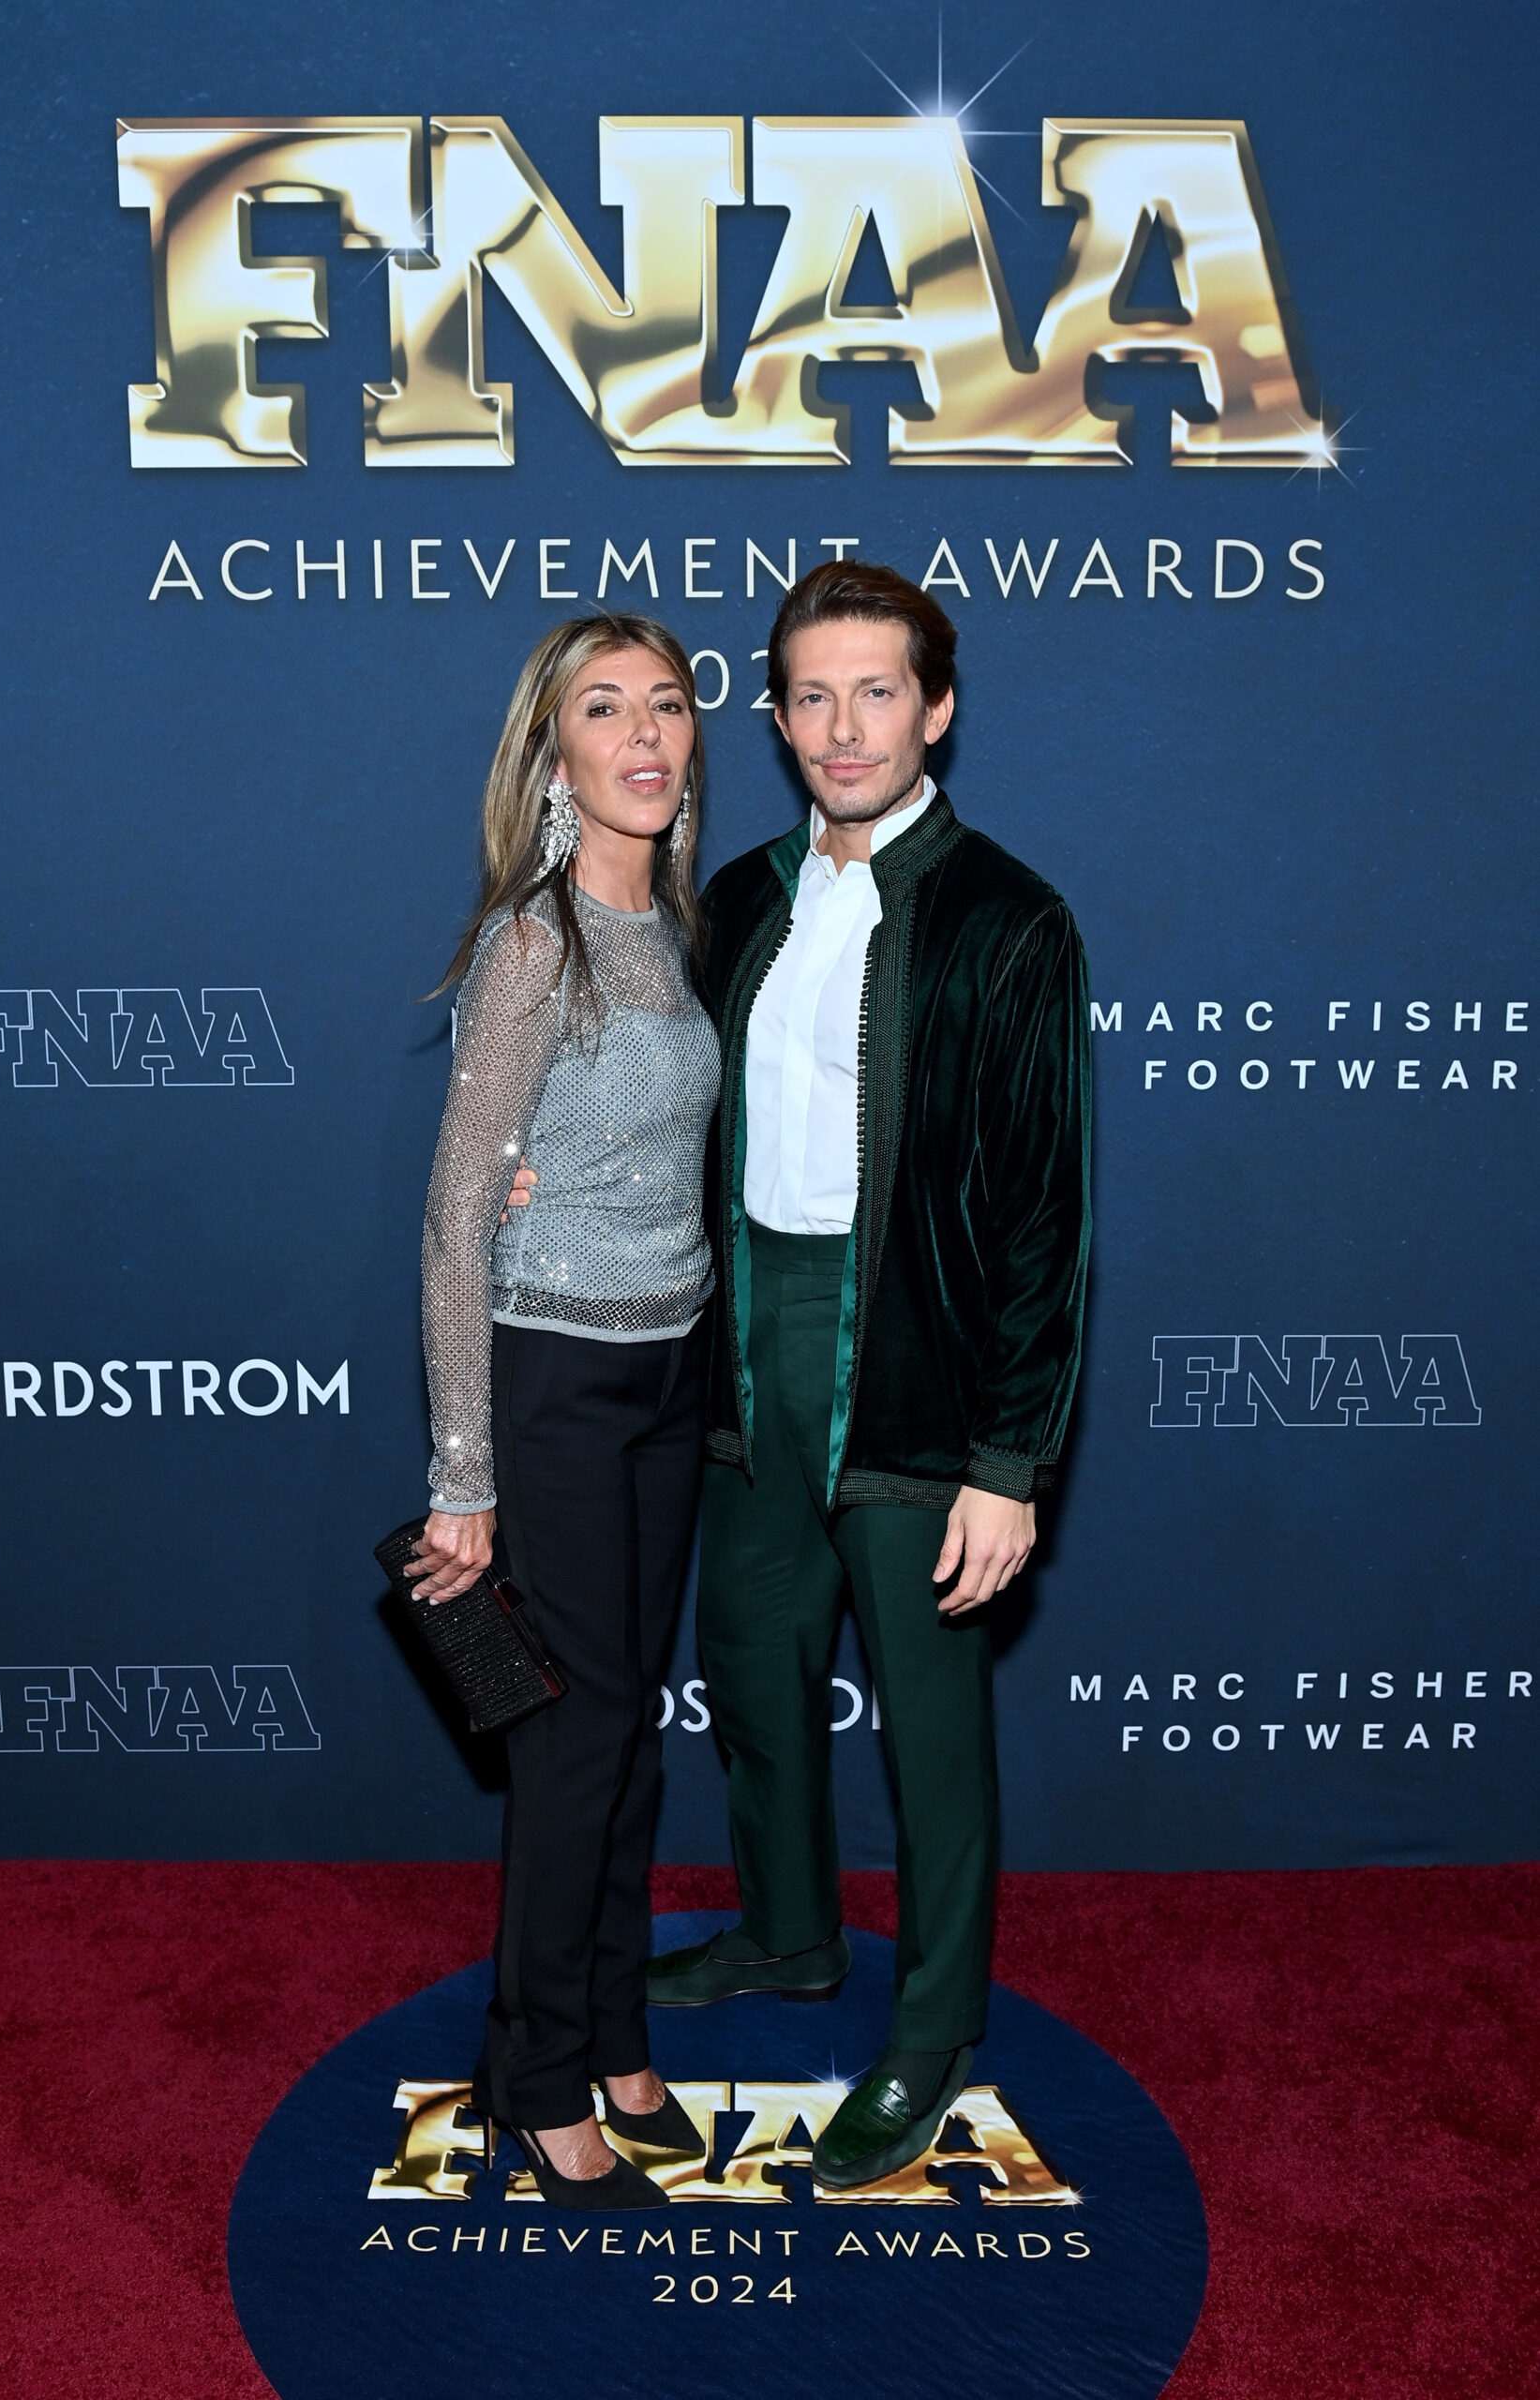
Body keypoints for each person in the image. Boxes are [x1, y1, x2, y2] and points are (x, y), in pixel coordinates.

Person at [647, 561, 1092, 2191]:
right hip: (745, 1361)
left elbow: (1047, 1211)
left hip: (917, 1375)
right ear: (775, 718)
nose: (845, 727)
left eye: (878, 692)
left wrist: (1010, 1461)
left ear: (938, 709)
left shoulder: (1011, 919)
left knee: (934, 1736)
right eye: (812, 696)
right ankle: (785, 1935)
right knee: (754, 1675)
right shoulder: (737, 898)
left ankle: (934, 2032)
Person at [407, 614, 720, 2211]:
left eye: (667, 704)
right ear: (554, 755)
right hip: (555, 1383)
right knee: (574, 1742)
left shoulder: (672, 927)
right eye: (607, 710)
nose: (645, 735)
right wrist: (463, 1474)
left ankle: (612, 2026)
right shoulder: (535, 943)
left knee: (627, 1733)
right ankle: (534, 2077)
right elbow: (458, 1216)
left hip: (670, 1373)